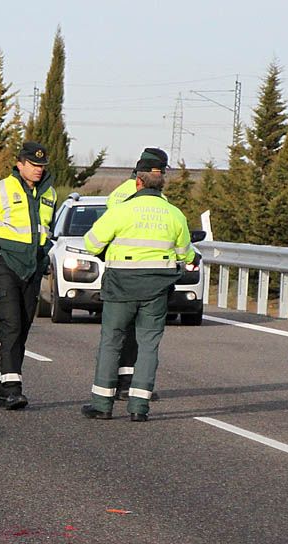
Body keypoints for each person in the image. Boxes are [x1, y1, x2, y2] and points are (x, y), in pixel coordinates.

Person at [81, 149, 195, 421]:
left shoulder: (121, 210)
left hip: (121, 286)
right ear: (161, 181)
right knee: (148, 345)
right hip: (156, 289)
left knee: (112, 341)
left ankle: (102, 405)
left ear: (138, 181)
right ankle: (139, 408)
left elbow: (91, 243)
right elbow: (186, 255)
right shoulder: (175, 214)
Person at [0, 141, 57, 410]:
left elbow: (47, 231)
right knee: (10, 323)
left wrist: (43, 256)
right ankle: (12, 389)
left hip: (32, 268)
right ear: (20, 164)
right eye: (33, 165)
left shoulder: (49, 194)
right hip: (7, 265)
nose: (38, 170)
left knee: (23, 325)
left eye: (41, 166)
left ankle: (4, 382)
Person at [105, 147, 169, 401]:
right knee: (129, 334)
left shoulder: (121, 192)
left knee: (123, 333)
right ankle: (124, 384)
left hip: (125, 271)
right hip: (138, 272)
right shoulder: (143, 197)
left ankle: (121, 384)